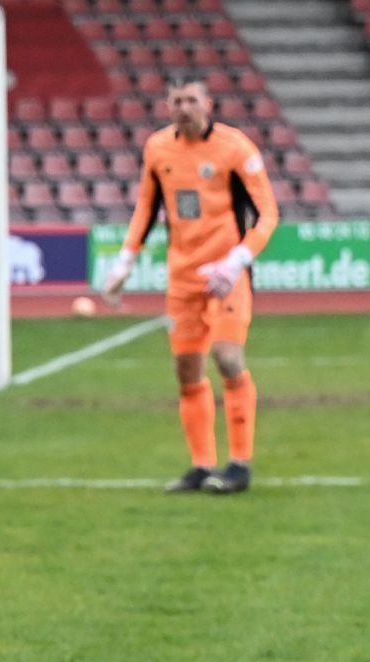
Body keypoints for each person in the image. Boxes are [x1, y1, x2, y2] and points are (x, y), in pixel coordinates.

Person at [101, 76, 278, 495]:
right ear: (168, 106)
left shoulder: (236, 147)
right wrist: (125, 260)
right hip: (182, 276)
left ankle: (239, 465)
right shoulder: (158, 147)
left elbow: (268, 213)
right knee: (186, 371)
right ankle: (201, 465)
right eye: (177, 101)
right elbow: (146, 206)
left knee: (228, 358)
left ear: (208, 104)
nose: (184, 108)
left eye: (192, 100)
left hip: (227, 275)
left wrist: (236, 261)